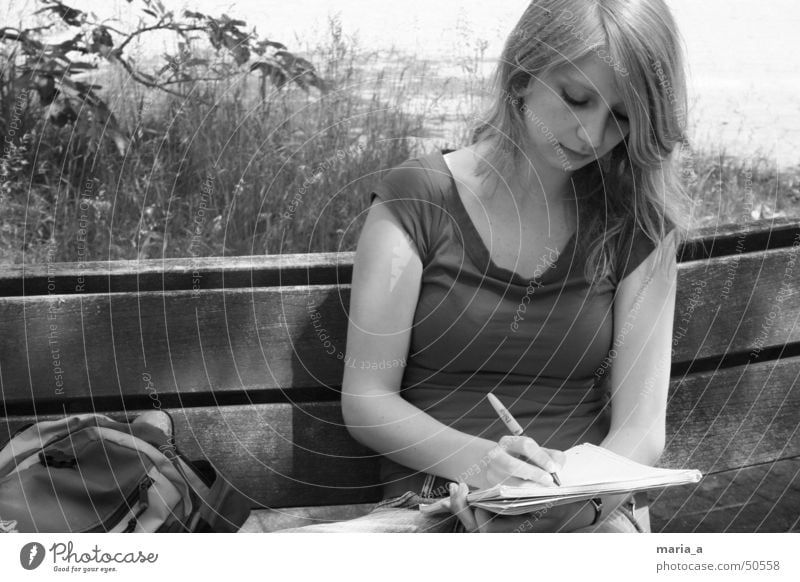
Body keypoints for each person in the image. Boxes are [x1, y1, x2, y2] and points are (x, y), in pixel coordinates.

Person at [275, 0, 689, 533]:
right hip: (435, 508)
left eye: (623, 117)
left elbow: (640, 430)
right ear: (522, 74)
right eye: (576, 98)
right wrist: (482, 468)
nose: (592, 133)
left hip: (586, 516)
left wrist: (576, 504)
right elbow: (368, 400)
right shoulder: (417, 201)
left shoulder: (639, 224)